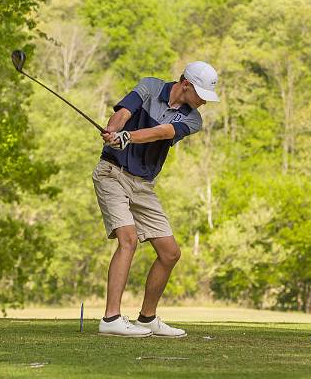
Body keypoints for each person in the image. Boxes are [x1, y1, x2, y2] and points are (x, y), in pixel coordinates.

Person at [92, 61, 219, 337]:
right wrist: (113, 132)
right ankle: (111, 319)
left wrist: (127, 137)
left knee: (170, 253)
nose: (204, 103)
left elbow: (163, 132)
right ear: (185, 84)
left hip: (143, 185)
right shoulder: (151, 86)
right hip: (111, 174)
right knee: (128, 239)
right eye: (201, 95)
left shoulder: (193, 119)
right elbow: (123, 113)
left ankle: (147, 319)